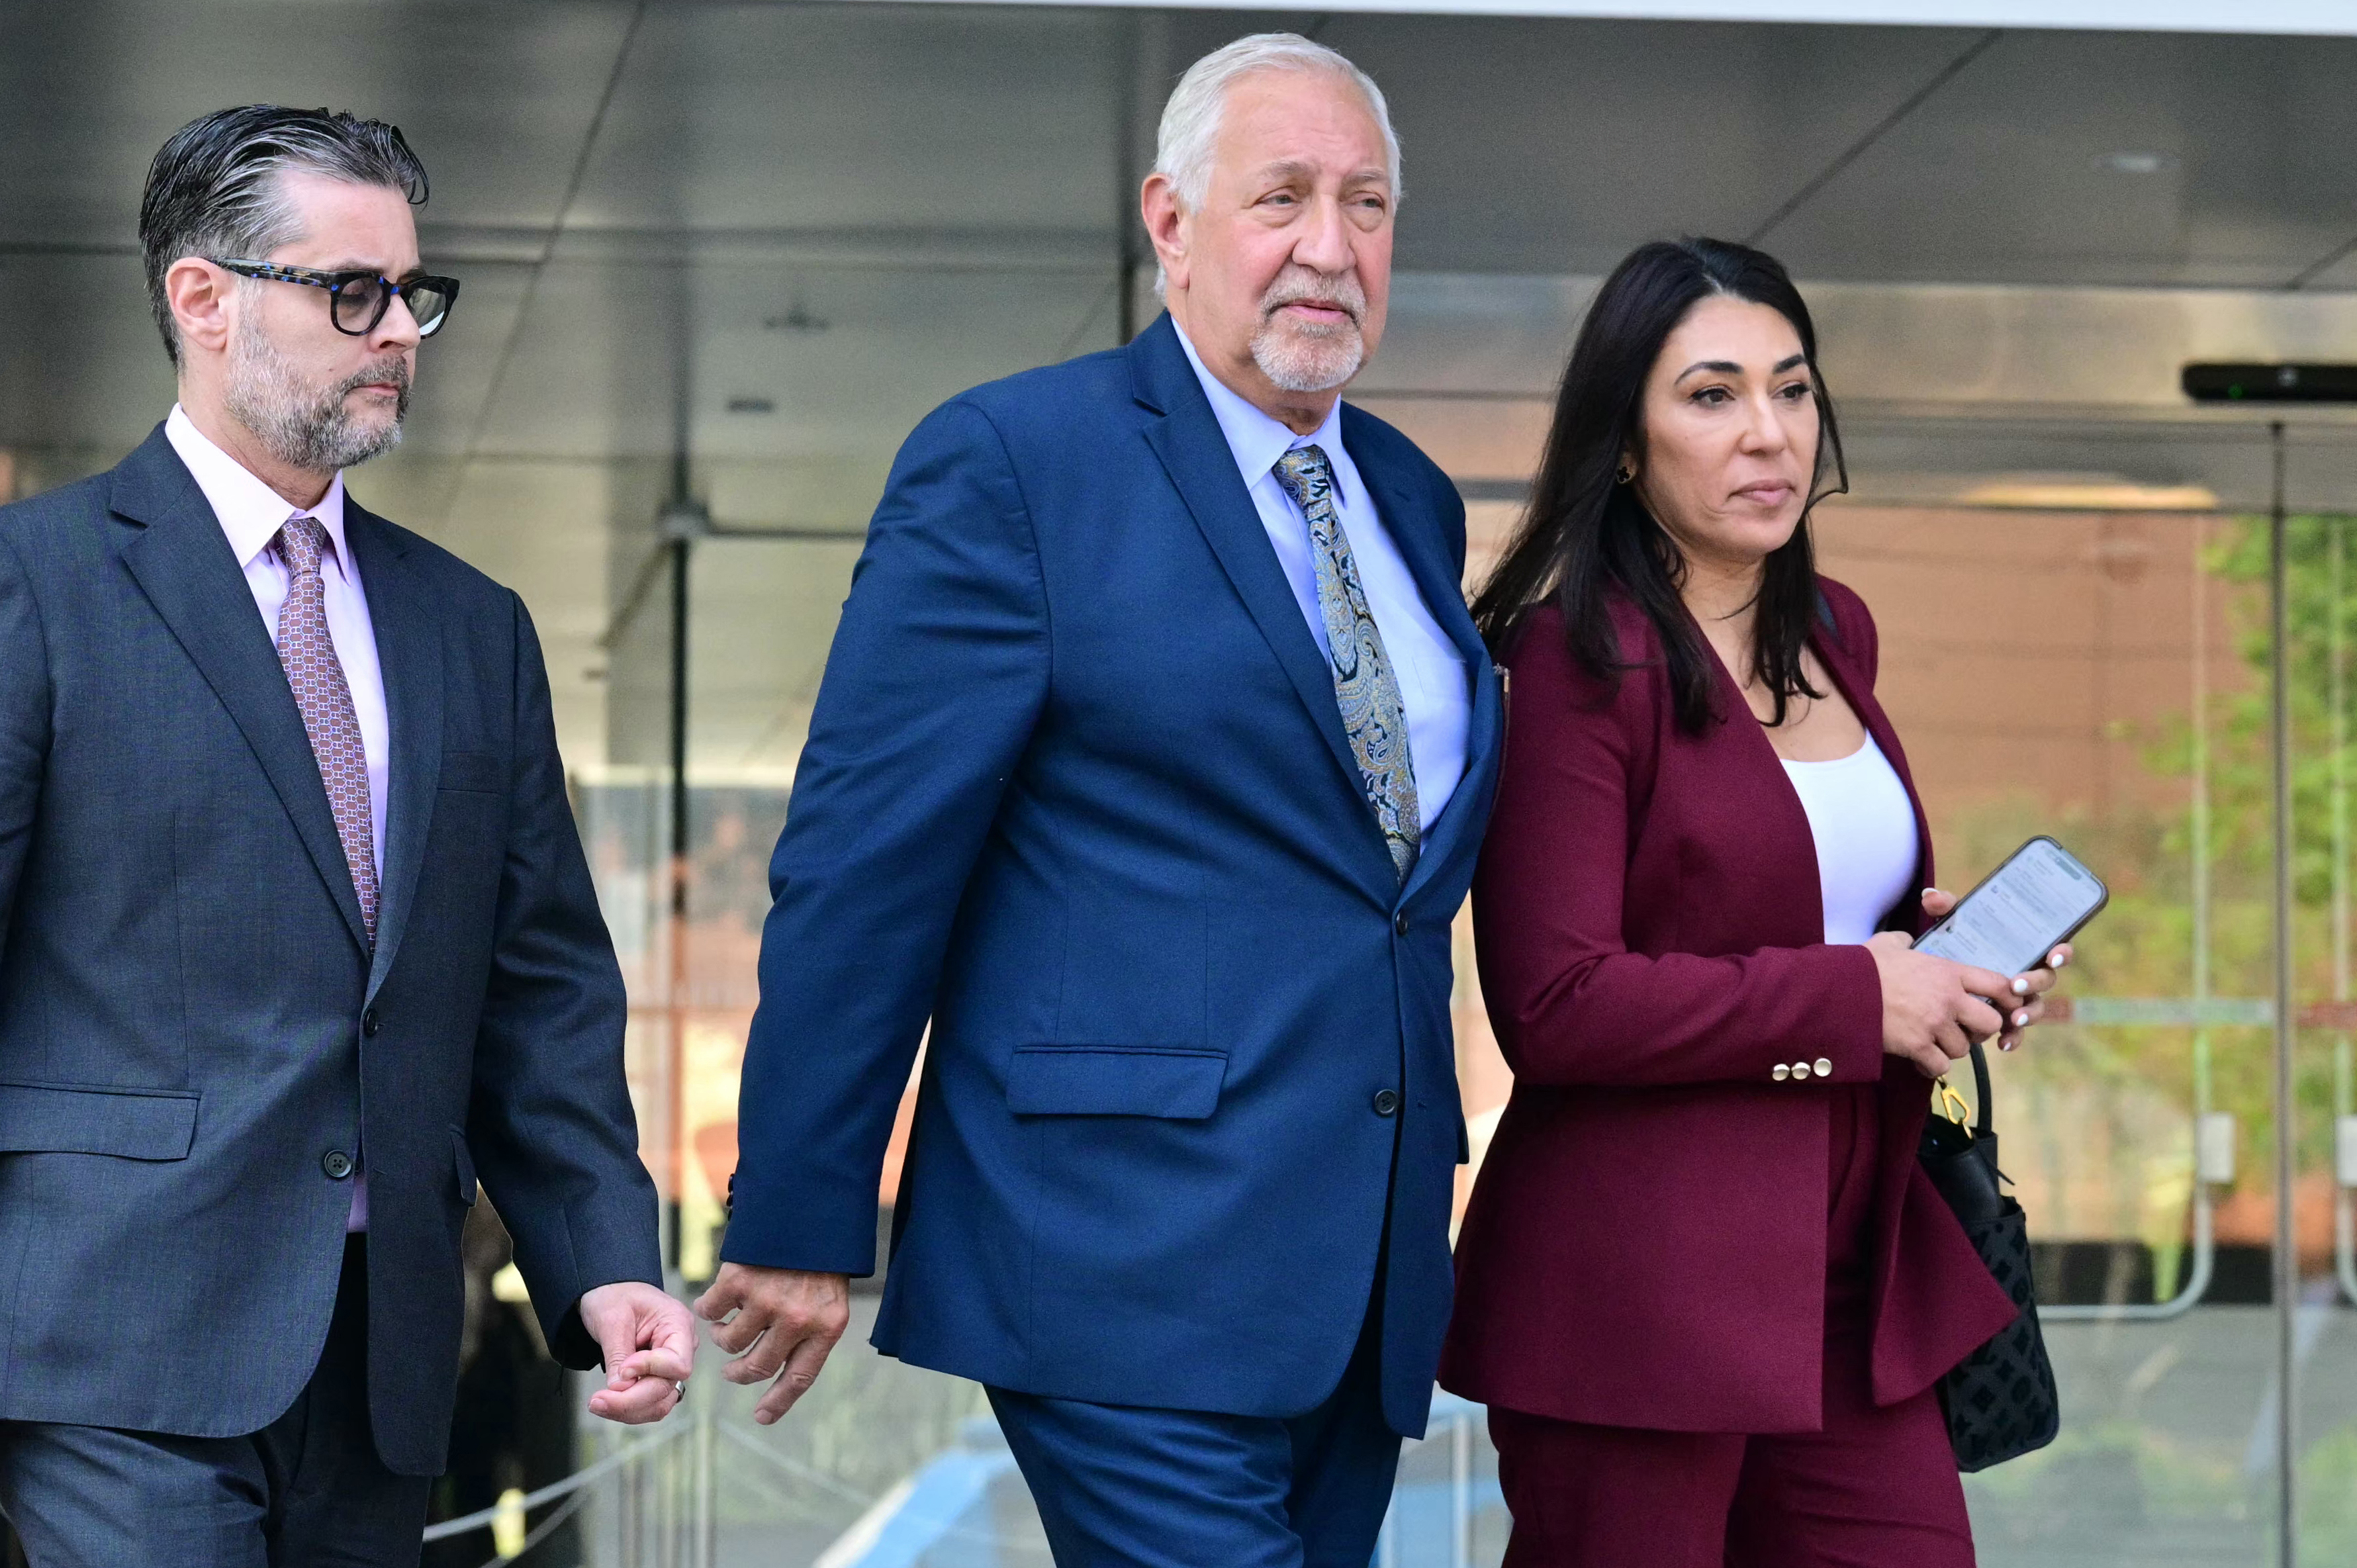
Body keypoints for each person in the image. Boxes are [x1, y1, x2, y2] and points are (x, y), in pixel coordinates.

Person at [697, 34, 1502, 1567]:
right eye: (1280, 198)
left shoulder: (1407, 490)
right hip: (1114, 1253)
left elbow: (1386, 860)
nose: (1331, 248)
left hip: (1360, 1269)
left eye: (1369, 204)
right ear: (1171, 222)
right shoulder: (1015, 463)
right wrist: (804, 1209)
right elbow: (867, 864)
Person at [0, 106, 692, 1567]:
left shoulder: (469, 629)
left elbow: (537, 987)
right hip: (111, 1347)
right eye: (352, 292)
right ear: (202, 297)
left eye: (414, 294)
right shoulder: (37, 587)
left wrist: (603, 1259)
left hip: (382, 1366)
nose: (400, 333)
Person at [1439, 238, 2070, 1567]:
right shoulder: (1571, 664)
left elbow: (1818, 901)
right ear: (1627, 439)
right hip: (1642, 1298)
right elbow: (1556, 1003)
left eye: (1792, 389)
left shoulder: (1837, 629)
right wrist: (1861, 994)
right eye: (1713, 396)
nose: (1768, 434)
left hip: (1855, 1276)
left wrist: (1944, 960)